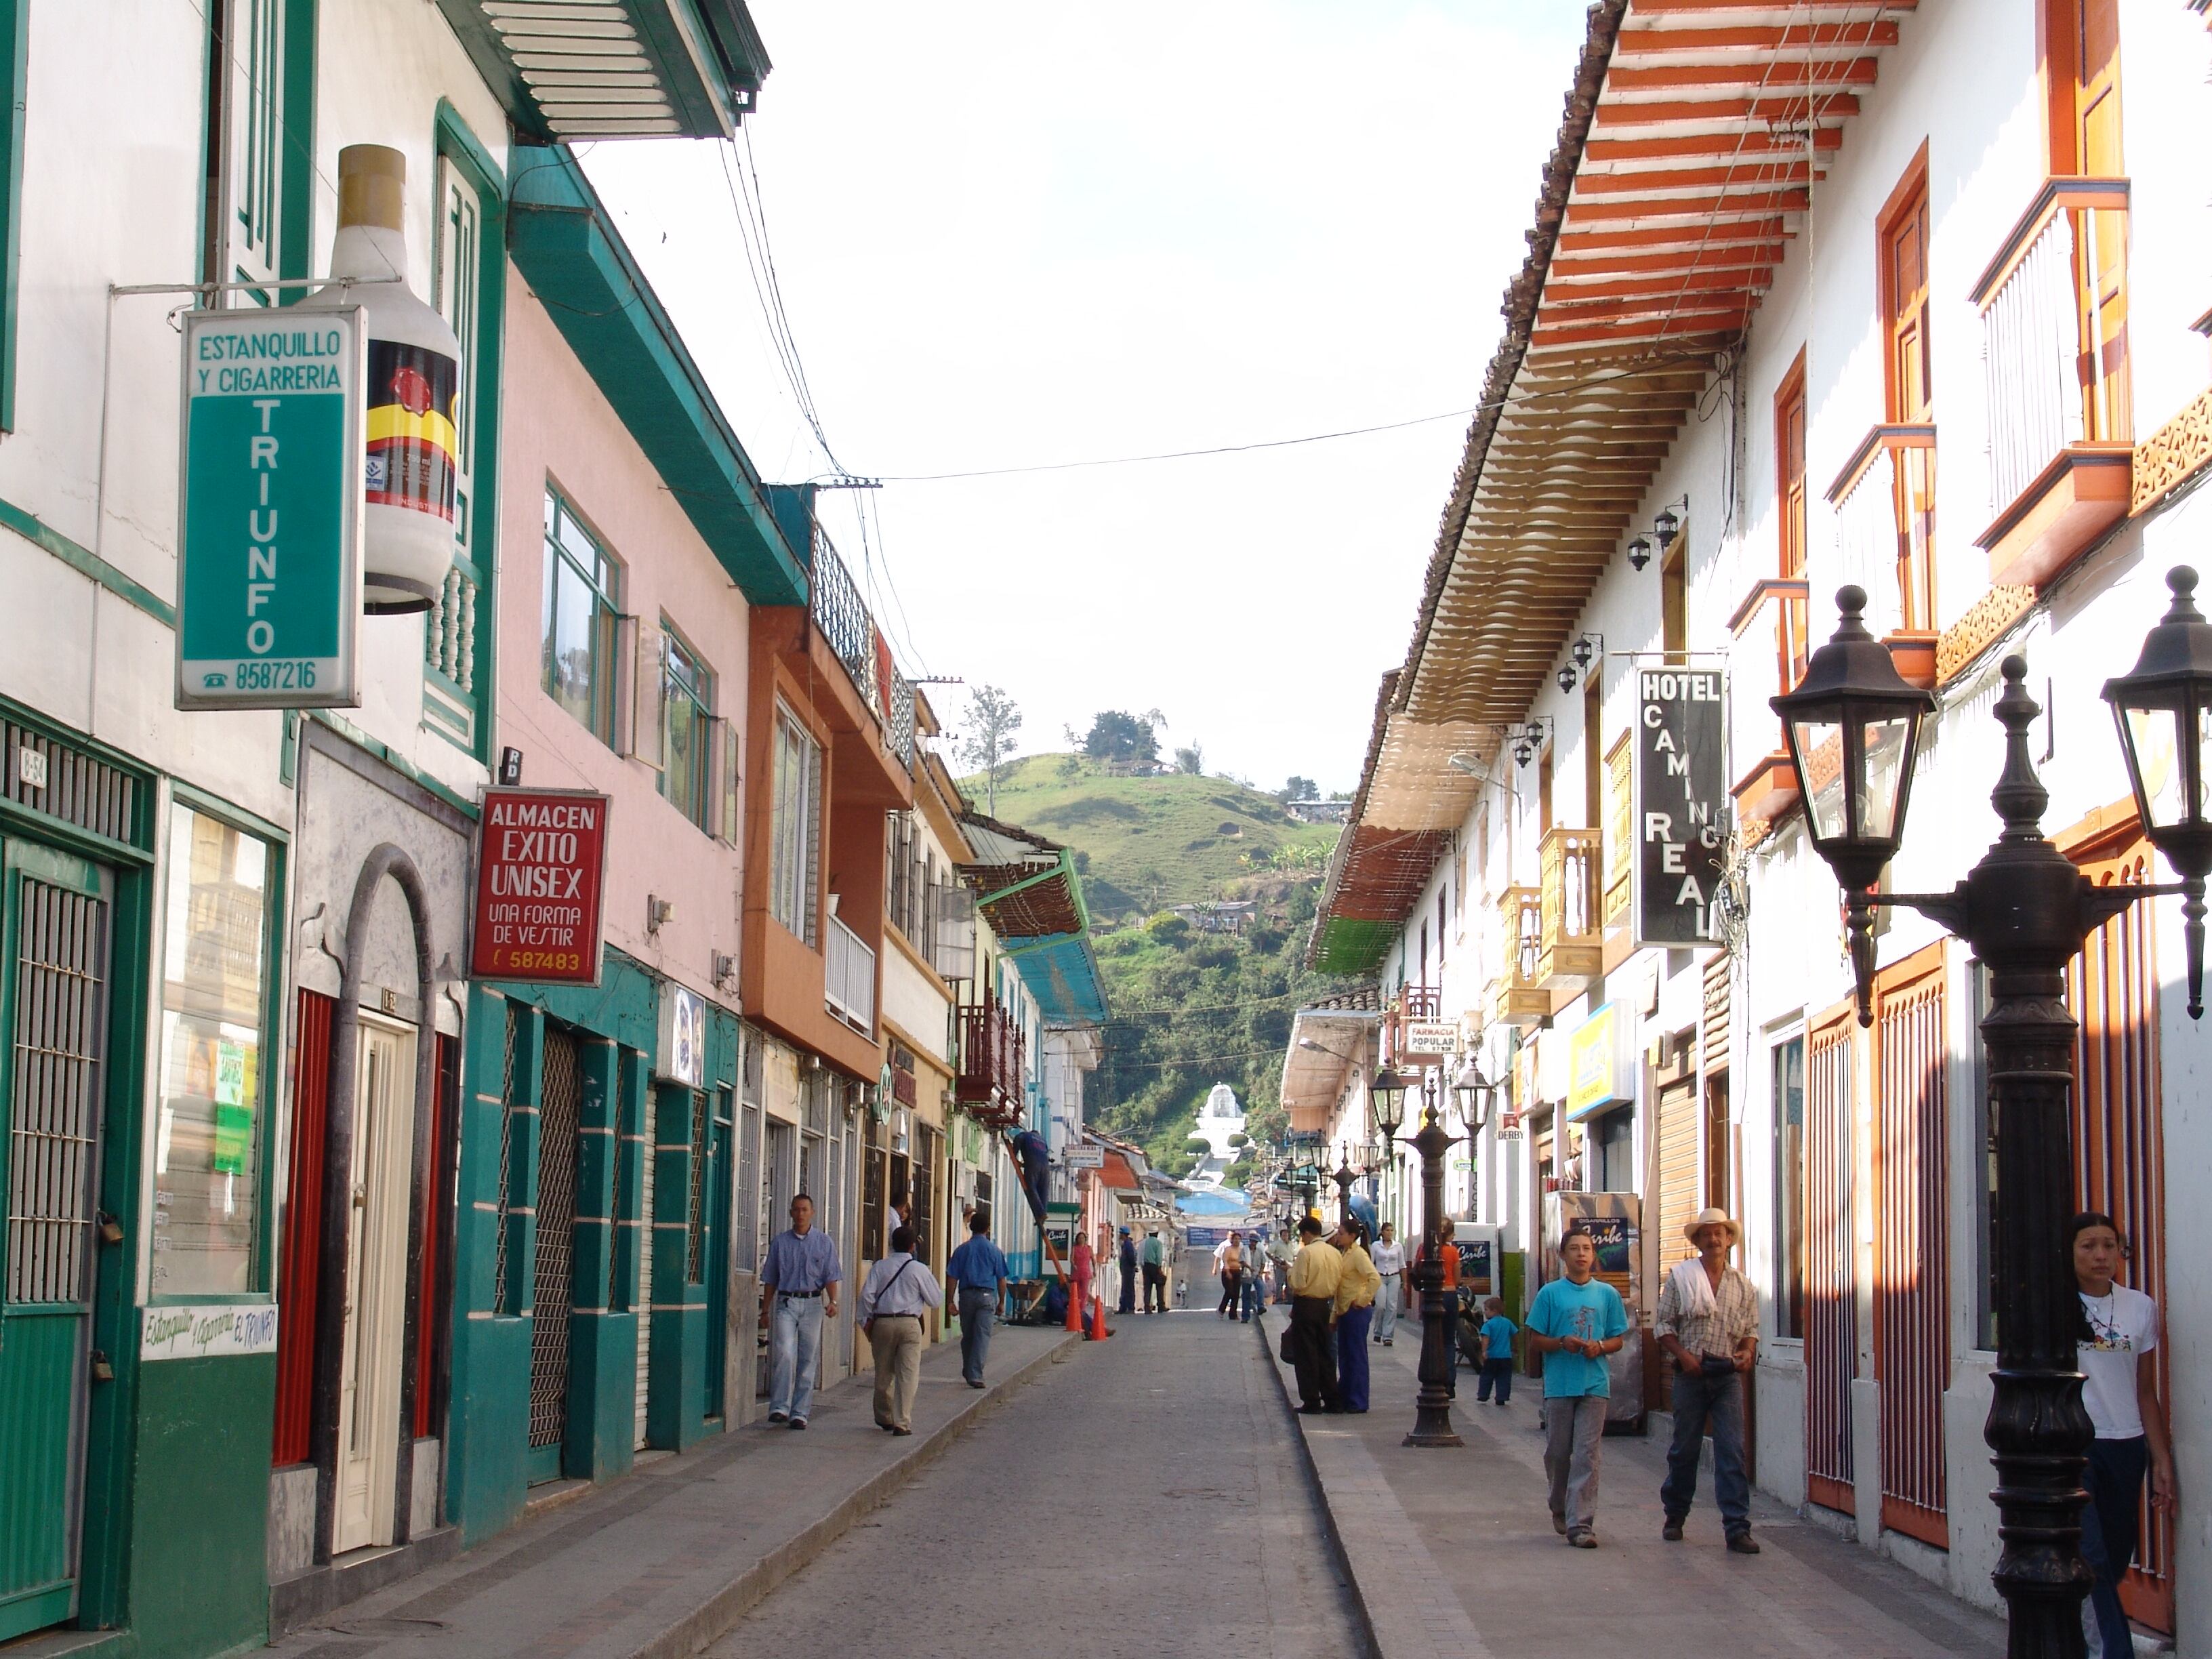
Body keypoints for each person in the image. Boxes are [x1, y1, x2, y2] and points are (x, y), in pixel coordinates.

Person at [2073, 1211, 2177, 1657]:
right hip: (2075, 1448)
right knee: (2090, 1555)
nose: (2100, 1255)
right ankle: (2115, 1652)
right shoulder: (2056, 1307)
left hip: (2127, 1445)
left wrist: (2161, 1461)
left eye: (2109, 1245)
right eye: (2089, 1246)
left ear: (2120, 1250)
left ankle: (2084, 1638)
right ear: (2071, 1252)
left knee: (2113, 1559)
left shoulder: (2140, 1307)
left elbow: (2146, 1391)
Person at [1654, 1207, 1761, 1553]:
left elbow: (1750, 1332)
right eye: (1707, 1234)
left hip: (1727, 1376)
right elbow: (1663, 1327)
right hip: (1690, 1374)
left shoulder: (1743, 1285)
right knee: (1685, 1449)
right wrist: (1683, 1357)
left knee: (1732, 1450)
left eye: (1720, 1233)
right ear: (1698, 1241)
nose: (1714, 1239)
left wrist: (1746, 1353)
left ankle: (1736, 1528)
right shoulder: (1681, 1278)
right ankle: (1675, 1515)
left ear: (1730, 1240)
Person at [1526, 1226, 1629, 1547]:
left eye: (1586, 1248)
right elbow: (1534, 1340)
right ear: (1563, 1255)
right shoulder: (1550, 1294)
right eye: (1575, 1248)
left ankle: (1581, 1523)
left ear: (1593, 1255)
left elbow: (1617, 1339)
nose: (1581, 1254)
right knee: (1559, 1452)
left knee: (1587, 1454)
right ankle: (1560, 1503)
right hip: (1559, 1386)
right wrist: (1560, 1342)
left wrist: (1600, 1346)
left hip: (1595, 1385)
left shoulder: (1607, 1294)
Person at [760, 1193, 842, 1429]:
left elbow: (831, 1275)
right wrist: (765, 1310)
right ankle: (779, 1407)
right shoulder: (780, 1243)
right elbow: (771, 1279)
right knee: (785, 1353)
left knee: (808, 1357)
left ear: (812, 1212)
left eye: (805, 1209)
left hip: (813, 1304)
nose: (800, 1214)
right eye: (796, 1209)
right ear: (791, 1213)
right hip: (787, 1303)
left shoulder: (824, 1243)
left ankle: (800, 1412)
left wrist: (833, 1302)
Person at [859, 1224, 943, 1435]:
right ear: (913, 1246)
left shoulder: (880, 1267)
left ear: (892, 1245)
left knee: (883, 1373)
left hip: (883, 1323)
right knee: (908, 1374)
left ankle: (884, 1416)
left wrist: (865, 1322)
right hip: (910, 1324)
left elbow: (866, 1296)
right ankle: (902, 1422)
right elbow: (935, 1300)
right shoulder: (919, 1269)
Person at [1286, 1216, 1345, 1413]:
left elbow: (1299, 1283)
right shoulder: (1335, 1253)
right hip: (1325, 1306)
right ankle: (1332, 1399)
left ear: (1307, 1233)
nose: (1302, 1240)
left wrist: (1289, 1274)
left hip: (1306, 1305)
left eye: (1302, 1236)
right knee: (1325, 1354)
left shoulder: (1307, 1253)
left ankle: (1311, 1400)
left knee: (1306, 1355)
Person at [946, 1209, 1008, 1389]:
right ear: (987, 1228)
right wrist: (1001, 1301)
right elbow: (1001, 1279)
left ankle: (970, 1369)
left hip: (966, 1296)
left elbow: (952, 1277)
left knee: (969, 1335)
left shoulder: (962, 1250)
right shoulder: (995, 1251)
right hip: (987, 1296)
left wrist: (950, 1301)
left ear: (971, 1228)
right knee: (982, 1335)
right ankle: (975, 1373)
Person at [1332, 1219, 1383, 1413]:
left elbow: (1374, 1278)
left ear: (1352, 1236)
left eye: (1342, 1233)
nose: (1338, 1236)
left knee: (1356, 1356)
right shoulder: (1345, 1254)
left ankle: (1358, 1400)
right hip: (1345, 1310)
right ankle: (1346, 1396)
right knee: (1345, 1356)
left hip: (1357, 1310)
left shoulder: (1359, 1255)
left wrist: (1362, 1299)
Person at [1410, 1218, 1462, 1395]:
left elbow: (1417, 1270)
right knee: (1448, 1341)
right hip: (1449, 1294)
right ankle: (1450, 1382)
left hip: (1431, 1295)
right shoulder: (1453, 1252)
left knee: (1432, 1339)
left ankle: (1433, 1377)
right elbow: (1457, 1278)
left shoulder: (1425, 1249)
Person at [1476, 1296, 1517, 1405]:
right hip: (1506, 1357)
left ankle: (1483, 1395)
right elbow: (1515, 1334)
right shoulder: (1507, 1322)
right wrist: (1515, 1346)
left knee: (1487, 1376)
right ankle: (1501, 1397)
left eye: (1486, 1310)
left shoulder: (1488, 1325)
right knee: (1504, 1377)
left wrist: (1484, 1351)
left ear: (1494, 1311)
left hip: (1492, 1356)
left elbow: (1485, 1339)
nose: (1485, 1312)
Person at [1370, 1223, 1404, 1346]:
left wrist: (1404, 1282)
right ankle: (1378, 1331)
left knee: (1392, 1306)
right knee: (1380, 1306)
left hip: (1394, 1277)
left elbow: (1402, 1265)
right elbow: (1371, 1263)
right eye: (1387, 1230)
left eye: (1391, 1230)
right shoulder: (1376, 1246)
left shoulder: (1398, 1246)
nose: (1390, 1233)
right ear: (1382, 1232)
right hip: (1380, 1277)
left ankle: (1388, 1336)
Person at [1214, 1232, 1245, 1319]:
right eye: (1235, 1239)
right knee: (1230, 1291)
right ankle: (1221, 1309)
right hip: (1227, 1272)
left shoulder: (1241, 1250)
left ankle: (1233, 1314)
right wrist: (1228, 1272)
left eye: (1239, 1239)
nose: (1237, 1241)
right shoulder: (1228, 1249)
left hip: (1237, 1272)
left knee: (1236, 1294)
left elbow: (1243, 1261)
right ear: (1232, 1240)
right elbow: (1225, 1261)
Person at [1071, 1234, 1096, 1332]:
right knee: (1077, 1292)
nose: (1081, 1240)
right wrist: (1074, 1266)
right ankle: (1077, 1309)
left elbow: (1093, 1260)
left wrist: (1095, 1270)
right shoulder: (1075, 1248)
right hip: (1078, 1272)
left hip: (1086, 1272)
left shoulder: (1089, 1249)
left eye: (1083, 1238)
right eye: (1079, 1238)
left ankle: (1082, 1310)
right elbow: (1072, 1259)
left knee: (1084, 1293)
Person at [1140, 1228, 1168, 1314]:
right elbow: (1159, 1256)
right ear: (1157, 1234)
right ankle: (1161, 1306)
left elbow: (1141, 1254)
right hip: (1154, 1266)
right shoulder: (1158, 1243)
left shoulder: (1145, 1242)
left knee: (1147, 1288)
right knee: (1159, 1285)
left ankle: (1147, 1307)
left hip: (1146, 1266)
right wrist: (1159, 1268)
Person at [1242, 1233, 1267, 1319]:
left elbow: (1263, 1262)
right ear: (1250, 1241)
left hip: (1256, 1274)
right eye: (1252, 1242)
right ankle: (1245, 1316)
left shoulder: (1259, 1251)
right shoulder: (1245, 1250)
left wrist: (1260, 1273)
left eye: (1255, 1242)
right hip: (1246, 1275)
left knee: (1261, 1288)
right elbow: (1242, 1261)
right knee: (1246, 1295)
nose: (1253, 1244)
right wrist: (1249, 1268)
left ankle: (1260, 1307)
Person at [1117, 1227, 1138, 1315]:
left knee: (1129, 1289)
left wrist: (1132, 1266)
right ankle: (1124, 1307)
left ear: (1123, 1234)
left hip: (1128, 1270)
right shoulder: (1125, 1244)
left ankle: (1130, 1307)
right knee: (1125, 1288)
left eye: (1120, 1233)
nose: (1119, 1235)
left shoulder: (1128, 1245)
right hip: (1126, 1270)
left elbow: (1131, 1257)